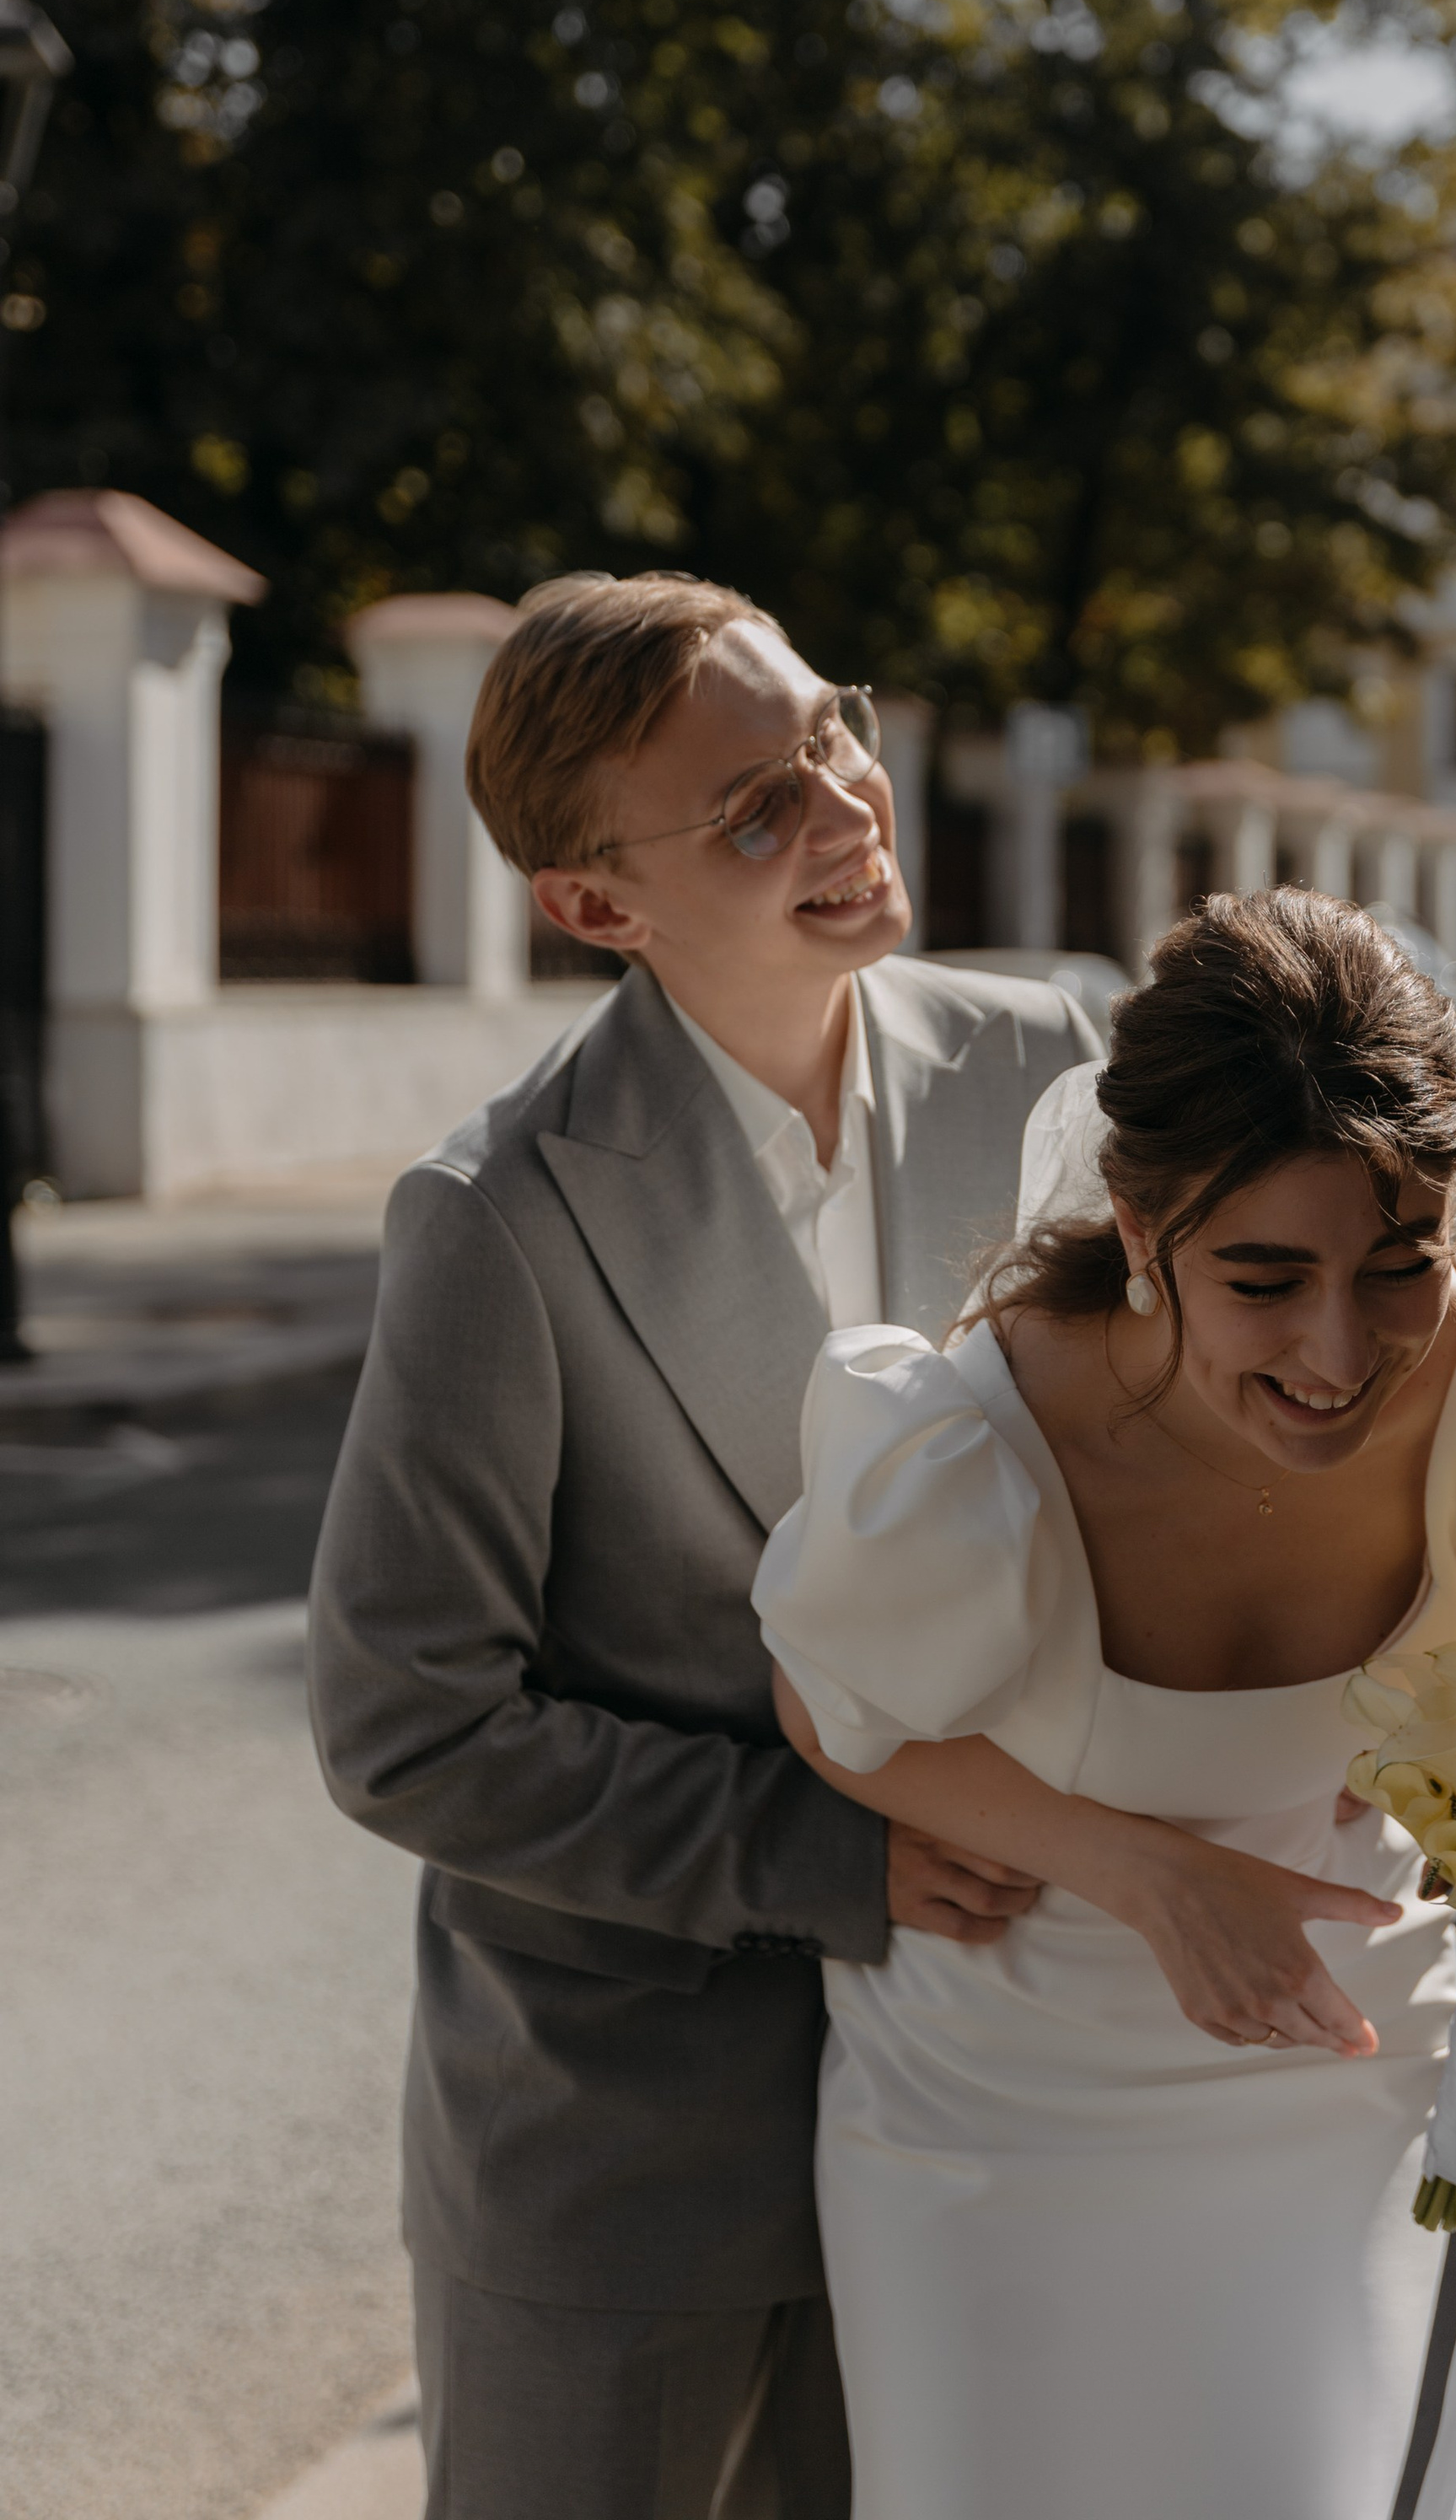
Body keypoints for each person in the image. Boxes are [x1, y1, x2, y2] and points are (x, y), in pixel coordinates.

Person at [308, 572, 1102, 2520]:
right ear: (597, 906)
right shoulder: (494, 1221)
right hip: (629, 2154)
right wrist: (832, 1853)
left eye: (833, 727)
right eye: (758, 807)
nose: (843, 803)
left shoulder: (1041, 1072)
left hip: (996, 2083)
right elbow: (408, 1724)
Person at [755, 888, 1456, 2520]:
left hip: (1337, 2091)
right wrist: (1151, 1876)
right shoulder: (971, 1439)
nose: (1338, 1351)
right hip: (995, 2114)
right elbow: (836, 1715)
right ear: (1138, 1213)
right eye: (1263, 1279)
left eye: (1399, 1264)